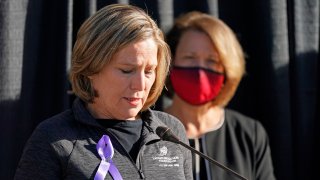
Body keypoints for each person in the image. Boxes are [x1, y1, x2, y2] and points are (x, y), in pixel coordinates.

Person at [14, 4, 193, 180]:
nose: (140, 85)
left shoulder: (171, 130)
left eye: (148, 71)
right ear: (92, 68)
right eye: (126, 70)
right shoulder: (54, 138)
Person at [164, 11, 276, 180]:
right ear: (169, 63)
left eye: (212, 61)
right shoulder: (150, 131)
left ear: (227, 69)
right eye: (189, 57)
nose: (200, 70)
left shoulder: (248, 134)